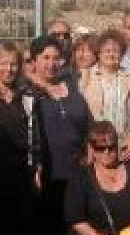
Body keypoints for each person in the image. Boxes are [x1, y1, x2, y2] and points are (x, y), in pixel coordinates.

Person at [31, 34, 94, 234]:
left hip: (78, 172)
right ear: (34, 61)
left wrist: (91, 150)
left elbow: (88, 124)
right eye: (45, 58)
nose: (51, 63)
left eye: (55, 58)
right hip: (48, 175)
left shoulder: (71, 87)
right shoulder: (29, 92)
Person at [0, 40, 41, 232]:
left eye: (13, 63)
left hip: (22, 175)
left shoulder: (28, 97)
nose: (9, 69)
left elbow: (36, 137)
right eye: (3, 63)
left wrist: (37, 169)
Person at [64, 121, 130, 235]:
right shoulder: (80, 177)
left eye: (111, 147)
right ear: (91, 148)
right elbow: (76, 219)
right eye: (100, 148)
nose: (106, 152)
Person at [79, 29, 130, 162]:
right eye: (107, 50)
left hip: (124, 149)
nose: (111, 54)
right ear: (99, 53)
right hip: (96, 150)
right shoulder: (85, 77)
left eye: (116, 50)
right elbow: (79, 115)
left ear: (122, 54)